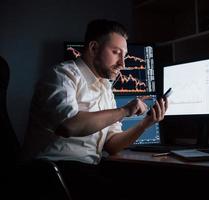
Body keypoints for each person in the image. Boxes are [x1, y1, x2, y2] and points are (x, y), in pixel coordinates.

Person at [21, 19, 168, 199]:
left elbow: (112, 144)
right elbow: (69, 125)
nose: (123, 63)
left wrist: (145, 124)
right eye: (116, 52)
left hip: (86, 170)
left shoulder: (106, 89)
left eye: (125, 55)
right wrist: (124, 111)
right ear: (93, 48)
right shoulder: (62, 76)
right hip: (53, 171)